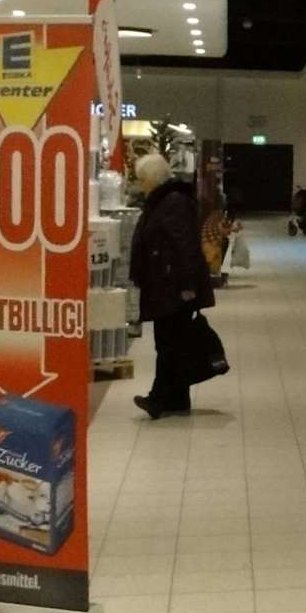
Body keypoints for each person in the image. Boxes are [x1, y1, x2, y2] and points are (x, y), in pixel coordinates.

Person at [130, 151, 214, 418]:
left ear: (153, 178)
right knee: (173, 342)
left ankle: (158, 398)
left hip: (174, 287)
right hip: (165, 284)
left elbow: (186, 245)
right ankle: (177, 399)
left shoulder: (173, 202)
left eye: (142, 179)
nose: (140, 184)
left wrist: (188, 285)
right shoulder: (163, 200)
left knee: (168, 343)